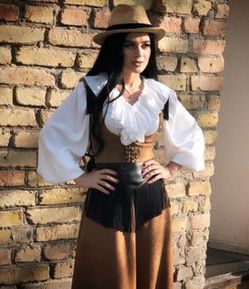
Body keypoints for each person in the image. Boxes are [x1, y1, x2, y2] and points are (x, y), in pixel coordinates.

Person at [38, 4, 205, 289]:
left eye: (145, 45)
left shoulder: (160, 94)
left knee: (149, 276)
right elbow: (52, 136)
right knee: (107, 276)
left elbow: (192, 134)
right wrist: (80, 176)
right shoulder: (93, 90)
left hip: (152, 200)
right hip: (107, 200)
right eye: (130, 45)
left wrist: (172, 169)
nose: (139, 54)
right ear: (116, 48)